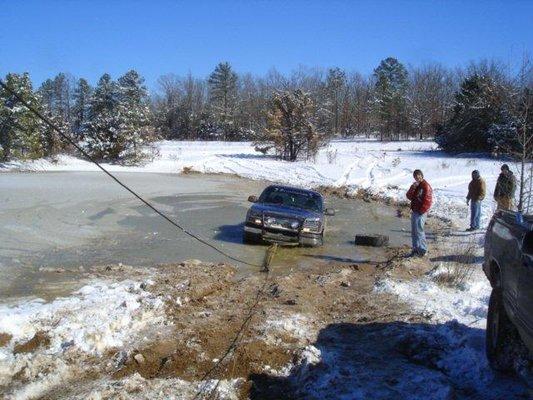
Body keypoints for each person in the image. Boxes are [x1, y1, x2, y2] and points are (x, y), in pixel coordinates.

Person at [406, 170, 433, 257]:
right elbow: (409, 196)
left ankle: (422, 250)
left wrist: (422, 211)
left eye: (419, 176)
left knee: (419, 231)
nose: (417, 178)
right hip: (415, 211)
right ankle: (415, 249)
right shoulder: (417, 186)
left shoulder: (425, 186)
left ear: (422, 176)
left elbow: (428, 201)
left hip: (420, 212)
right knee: (414, 231)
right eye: (415, 177)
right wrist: (412, 187)